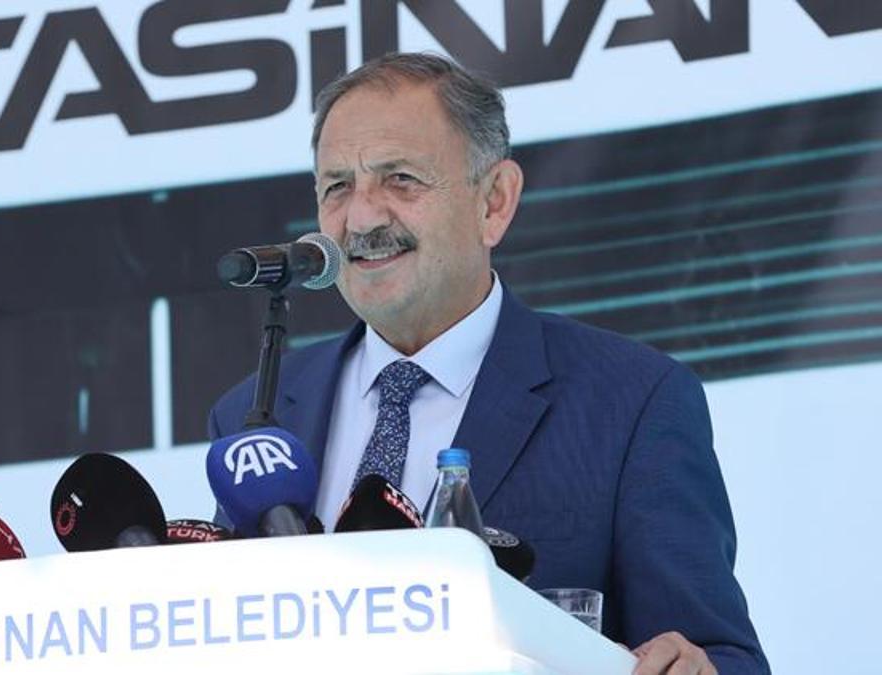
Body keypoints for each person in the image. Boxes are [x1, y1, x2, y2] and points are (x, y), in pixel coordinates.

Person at [208, 53, 768, 674]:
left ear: (494, 202)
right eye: (337, 186)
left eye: (401, 179)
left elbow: (720, 657)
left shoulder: (632, 402)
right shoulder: (253, 414)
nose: (361, 218)